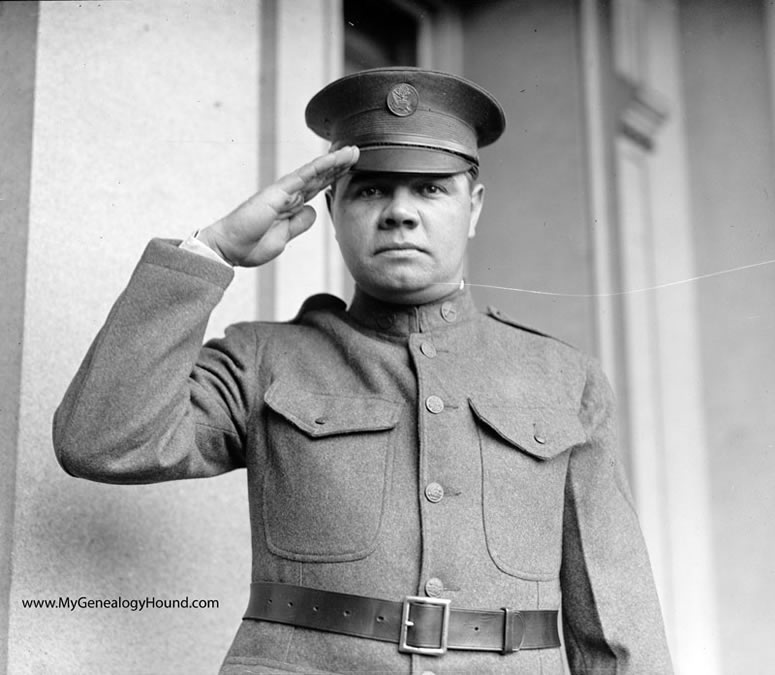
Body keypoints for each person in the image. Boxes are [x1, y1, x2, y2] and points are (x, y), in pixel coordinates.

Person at [53, 67, 672, 674]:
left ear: (474, 206)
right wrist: (211, 252)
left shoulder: (563, 378)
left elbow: (615, 616)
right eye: (372, 188)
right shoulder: (262, 360)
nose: (400, 213)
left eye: (431, 188)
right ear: (332, 206)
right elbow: (102, 441)